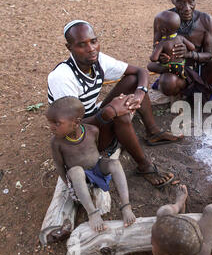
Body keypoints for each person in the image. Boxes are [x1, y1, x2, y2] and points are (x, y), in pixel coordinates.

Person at [48, 20, 182, 188]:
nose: (91, 48)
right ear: (69, 48)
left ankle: (153, 132)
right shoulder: (62, 77)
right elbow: (69, 129)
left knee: (133, 81)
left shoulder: (97, 60)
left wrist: (140, 94)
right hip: (83, 138)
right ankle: (144, 166)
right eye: (81, 45)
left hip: (93, 116)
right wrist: (109, 112)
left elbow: (140, 71)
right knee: (121, 115)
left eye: (93, 41)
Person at [46, 96, 136, 232]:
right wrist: (68, 185)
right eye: (50, 123)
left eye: (56, 123)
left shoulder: (93, 131)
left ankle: (126, 206)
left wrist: (101, 162)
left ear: (76, 123)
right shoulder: (57, 142)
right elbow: (59, 165)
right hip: (78, 178)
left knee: (115, 164)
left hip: (96, 169)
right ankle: (92, 213)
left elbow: (96, 149)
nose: (51, 127)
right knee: (76, 171)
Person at [152, 0, 212, 103]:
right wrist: (163, 58)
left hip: (201, 72)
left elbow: (208, 55)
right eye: (180, 2)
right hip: (177, 72)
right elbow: (155, 52)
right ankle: (181, 93)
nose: (187, 8)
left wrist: (189, 54)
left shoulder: (205, 20)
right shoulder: (163, 20)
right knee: (167, 83)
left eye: (191, 1)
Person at [145, 182, 212, 255]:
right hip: (199, 253)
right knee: (211, 210)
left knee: (163, 212)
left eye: (152, 244)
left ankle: (178, 205)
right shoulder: (203, 253)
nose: (151, 243)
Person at [147, 10, 196, 80]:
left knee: (150, 66)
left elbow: (153, 58)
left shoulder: (162, 43)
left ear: (163, 30)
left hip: (171, 68)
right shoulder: (180, 38)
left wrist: (156, 49)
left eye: (158, 24)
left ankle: (168, 71)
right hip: (182, 66)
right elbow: (192, 47)